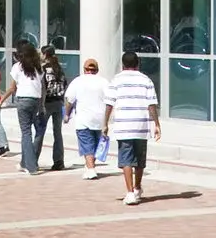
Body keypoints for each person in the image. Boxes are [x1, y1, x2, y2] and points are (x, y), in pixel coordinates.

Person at [104, 51, 161, 206]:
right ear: (138, 64)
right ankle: (137, 187)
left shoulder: (116, 80)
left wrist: (105, 123)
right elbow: (152, 104)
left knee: (126, 159)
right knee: (140, 159)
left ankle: (130, 192)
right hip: (141, 125)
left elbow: (109, 103)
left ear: (123, 64)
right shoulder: (146, 80)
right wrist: (156, 124)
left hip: (124, 125)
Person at [62, 57, 109, 182]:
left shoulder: (78, 81)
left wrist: (67, 114)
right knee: (95, 143)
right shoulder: (103, 82)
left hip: (83, 118)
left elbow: (69, 100)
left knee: (86, 144)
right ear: (97, 70)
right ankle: (89, 167)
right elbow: (110, 99)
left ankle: (91, 168)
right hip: (100, 118)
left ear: (84, 69)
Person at [6, 41, 49, 174]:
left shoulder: (18, 67)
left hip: (23, 100)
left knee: (26, 133)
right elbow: (42, 88)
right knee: (31, 132)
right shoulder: (38, 68)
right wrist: (41, 106)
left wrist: (3, 98)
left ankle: (31, 166)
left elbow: (13, 86)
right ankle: (24, 163)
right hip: (35, 100)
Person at [39, 51, 69, 171]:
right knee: (58, 133)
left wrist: (40, 105)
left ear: (45, 55)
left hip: (47, 103)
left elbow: (42, 88)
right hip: (59, 102)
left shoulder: (43, 69)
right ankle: (59, 161)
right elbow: (65, 84)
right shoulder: (60, 69)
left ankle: (33, 160)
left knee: (40, 131)